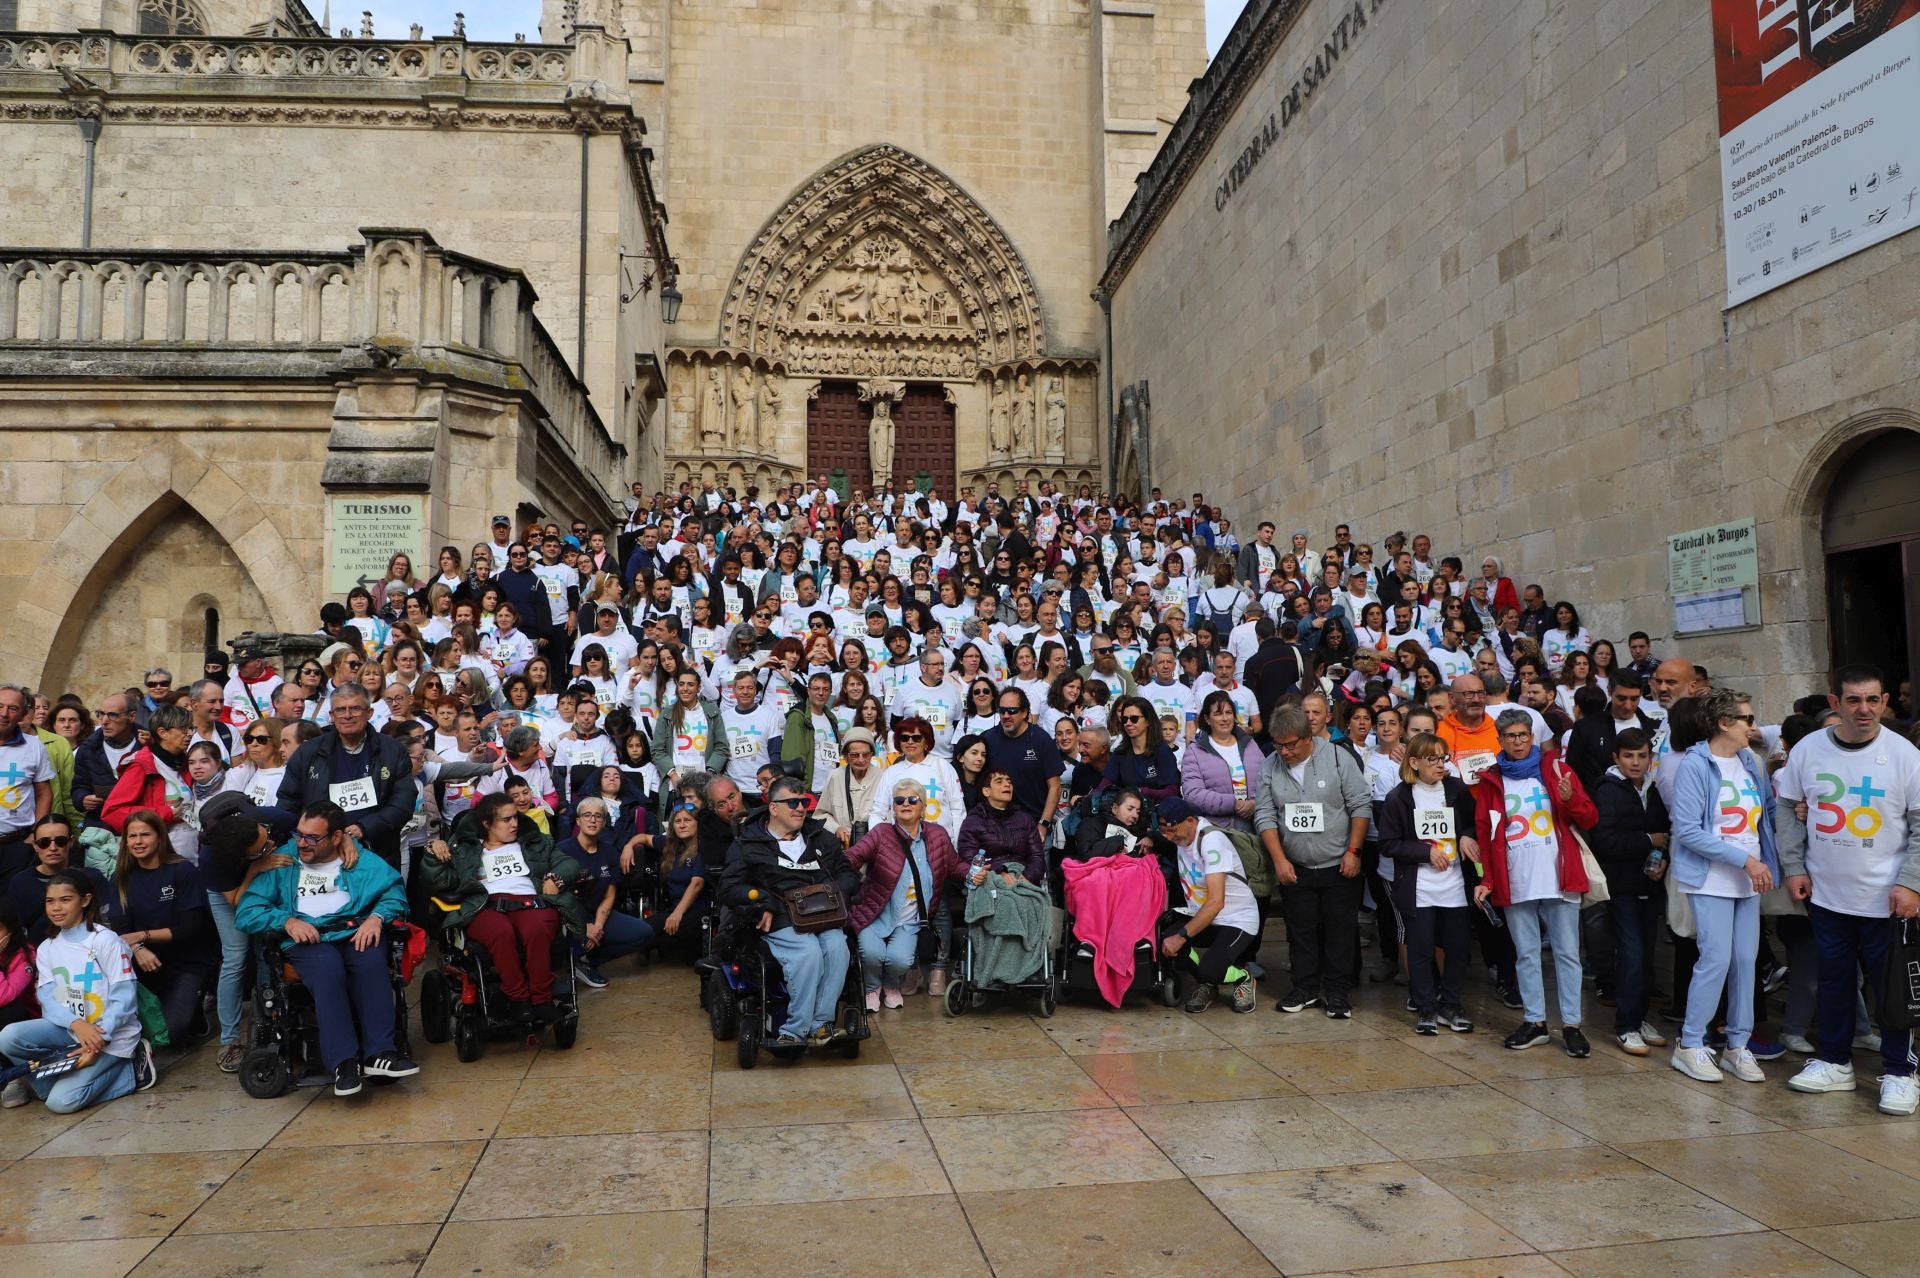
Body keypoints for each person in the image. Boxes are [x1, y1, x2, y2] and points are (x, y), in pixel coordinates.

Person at [1777, 664, 1920, 1114]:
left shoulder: (1903, 755)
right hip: (1828, 896)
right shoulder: (1809, 749)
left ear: (1885, 702)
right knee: (1835, 984)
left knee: (1892, 990)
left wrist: (1911, 884)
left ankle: (1900, 1071)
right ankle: (1835, 1062)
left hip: (1888, 899)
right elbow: (1786, 806)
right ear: (1835, 703)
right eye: (1853, 700)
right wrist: (1794, 866)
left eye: (1873, 699)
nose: (1864, 709)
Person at [234, 800, 418, 1095]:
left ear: (336, 837)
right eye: (299, 834)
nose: (302, 843)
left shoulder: (359, 858)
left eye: (312, 838)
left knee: (372, 961)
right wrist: (287, 921)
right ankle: (343, 1062)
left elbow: (393, 891)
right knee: (328, 969)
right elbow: (247, 911)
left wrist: (377, 917)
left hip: (353, 930)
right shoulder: (284, 860)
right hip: (307, 938)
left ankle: (381, 1053)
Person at [1666, 688, 1778, 1084]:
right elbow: (1689, 832)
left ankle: (1737, 1046)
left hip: (1748, 878)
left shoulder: (1749, 761)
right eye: (1747, 718)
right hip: (1711, 876)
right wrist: (1745, 860)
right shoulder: (1695, 764)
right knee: (1715, 959)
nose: (1754, 725)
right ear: (1723, 723)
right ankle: (1691, 1043)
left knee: (1746, 961)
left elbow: (1764, 813)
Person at [1472, 710, 1598, 1057]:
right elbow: (1485, 832)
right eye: (1510, 736)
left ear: (1532, 737)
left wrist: (1571, 797)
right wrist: (1488, 877)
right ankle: (1536, 1022)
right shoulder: (1491, 780)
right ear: (1500, 740)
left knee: (1568, 954)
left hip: (1559, 876)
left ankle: (1571, 1025)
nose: (1517, 741)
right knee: (1526, 954)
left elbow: (1589, 817)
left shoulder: (1557, 769)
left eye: (1523, 735)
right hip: (1516, 878)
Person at [422, 793, 584, 1026]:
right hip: (485, 905)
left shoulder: (536, 842)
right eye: (506, 820)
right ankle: (518, 999)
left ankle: (541, 1000)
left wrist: (556, 878)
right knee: (501, 932)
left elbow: (569, 863)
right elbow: (437, 882)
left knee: (538, 928)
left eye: (515, 818)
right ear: (487, 824)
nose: (514, 824)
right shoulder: (467, 849)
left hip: (531, 901)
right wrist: (433, 853)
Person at [0, 870, 155, 1112]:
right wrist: (76, 1024)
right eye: (50, 901)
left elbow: (124, 997)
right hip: (72, 1030)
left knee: (62, 1103)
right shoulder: (48, 948)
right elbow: (48, 998)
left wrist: (98, 1038)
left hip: (111, 1035)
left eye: (65, 899)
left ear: (85, 900)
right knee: (8, 1037)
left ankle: (132, 1072)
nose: (56, 908)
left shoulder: (106, 941)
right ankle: (53, 1086)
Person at [721, 775, 859, 1046]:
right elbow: (727, 887)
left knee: (838, 948)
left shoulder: (820, 837)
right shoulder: (749, 844)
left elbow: (849, 875)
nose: (800, 808)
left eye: (805, 801)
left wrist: (832, 893)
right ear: (773, 808)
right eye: (792, 802)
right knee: (808, 953)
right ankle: (795, 1030)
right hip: (779, 916)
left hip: (822, 913)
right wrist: (762, 901)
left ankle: (821, 1025)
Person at [1255, 704, 1373, 1016]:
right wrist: (1280, 860)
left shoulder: (1338, 758)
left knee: (1340, 930)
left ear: (1309, 737)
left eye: (1290, 744)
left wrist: (1353, 852)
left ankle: (1337, 991)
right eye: (1278, 745)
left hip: (1338, 861)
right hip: (1297, 864)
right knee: (1300, 931)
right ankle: (1305, 987)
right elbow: (1265, 815)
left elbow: (1360, 805)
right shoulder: (1270, 765)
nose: (1284, 752)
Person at [1375, 732, 1479, 1034]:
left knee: (1458, 949)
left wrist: (1467, 835)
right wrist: (1425, 851)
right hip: (1419, 888)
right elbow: (1388, 843)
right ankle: (1426, 1008)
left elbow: (1474, 821)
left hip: (1456, 885)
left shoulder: (1456, 789)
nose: (1439, 764)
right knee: (1420, 950)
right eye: (1432, 758)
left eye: (1443, 757)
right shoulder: (1400, 797)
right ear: (1415, 762)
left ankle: (1451, 1004)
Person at [1587, 728, 1672, 1057]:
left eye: (1641, 756)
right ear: (1616, 758)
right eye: (1628, 756)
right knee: (1632, 954)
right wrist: (1649, 841)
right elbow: (1605, 840)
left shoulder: (1653, 789)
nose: (1635, 763)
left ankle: (1639, 1018)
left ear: (1650, 758)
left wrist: (1661, 858)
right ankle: (1626, 1025)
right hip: (1621, 886)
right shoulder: (1608, 791)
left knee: (1646, 956)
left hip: (1648, 884)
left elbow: (1664, 831)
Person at [845, 778, 959, 1010]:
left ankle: (891, 984)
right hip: (874, 914)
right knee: (872, 954)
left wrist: (974, 874)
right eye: (899, 800)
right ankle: (872, 988)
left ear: (923, 807)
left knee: (900, 960)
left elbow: (955, 867)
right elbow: (852, 857)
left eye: (912, 800)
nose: (905, 804)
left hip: (909, 921)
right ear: (893, 808)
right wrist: (840, 873)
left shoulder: (937, 835)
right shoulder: (881, 833)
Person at [106, 807, 215, 1049]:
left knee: (170, 1035)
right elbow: (120, 928)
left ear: (159, 837)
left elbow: (191, 927)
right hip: (143, 964)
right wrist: (138, 948)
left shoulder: (182, 870)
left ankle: (194, 1008)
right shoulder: (121, 878)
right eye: (132, 836)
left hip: (185, 963)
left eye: (144, 835)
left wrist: (143, 937)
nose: (138, 841)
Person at [274, 686, 416, 871]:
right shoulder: (309, 752)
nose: (347, 715)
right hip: (319, 856)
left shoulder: (392, 751)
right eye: (340, 710)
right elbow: (288, 803)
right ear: (332, 715)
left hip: (376, 852)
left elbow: (402, 803)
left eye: (355, 708)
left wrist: (362, 828)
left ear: (369, 712)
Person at [1156, 797, 1260, 1014]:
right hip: (1204, 917)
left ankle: (1242, 977)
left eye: (1173, 830)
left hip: (1236, 918)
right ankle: (1208, 984)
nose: (1169, 836)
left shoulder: (1212, 841)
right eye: (1164, 830)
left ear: (1191, 821)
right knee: (1166, 943)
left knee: (1208, 967)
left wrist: (1182, 935)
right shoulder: (1181, 836)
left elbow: (1216, 902)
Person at [557, 796, 652, 987]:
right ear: (578, 821)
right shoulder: (562, 850)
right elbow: (557, 896)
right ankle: (573, 958)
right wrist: (584, 927)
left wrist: (598, 926)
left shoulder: (609, 852)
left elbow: (610, 894)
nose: (593, 820)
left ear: (604, 822)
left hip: (599, 913)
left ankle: (588, 961)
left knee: (645, 933)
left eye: (598, 816)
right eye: (587, 815)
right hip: (568, 918)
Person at [981, 688, 1066, 833]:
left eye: (1012, 711)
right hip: (997, 827)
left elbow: (1055, 787)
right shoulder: (988, 739)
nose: (1006, 715)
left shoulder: (1042, 740)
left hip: (1033, 826)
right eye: (1002, 711)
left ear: (1025, 712)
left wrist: (1043, 824)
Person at [1181, 690, 1264, 832]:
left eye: (1229, 713)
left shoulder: (1250, 745)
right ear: (1207, 719)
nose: (1225, 718)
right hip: (1217, 829)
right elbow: (1193, 794)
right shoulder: (1195, 751)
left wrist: (1255, 804)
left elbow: (1268, 781)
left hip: (1255, 825)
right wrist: (1233, 804)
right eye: (1218, 714)